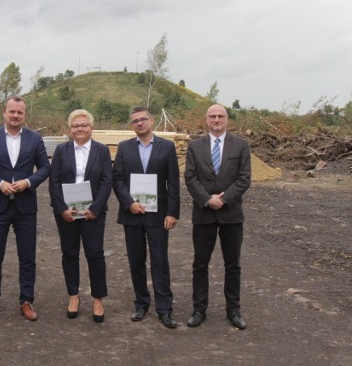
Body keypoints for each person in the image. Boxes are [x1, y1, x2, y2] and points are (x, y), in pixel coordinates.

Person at [0, 95, 50, 322]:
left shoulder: (35, 139)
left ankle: (26, 301)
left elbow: (45, 168)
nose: (15, 116)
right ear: (4, 113)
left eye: (20, 112)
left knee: (27, 257)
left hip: (26, 208)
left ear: (25, 115)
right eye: (12, 112)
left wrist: (28, 182)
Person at [184, 104, 251, 330]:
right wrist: (207, 199)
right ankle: (199, 309)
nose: (216, 120)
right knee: (200, 264)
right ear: (206, 120)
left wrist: (224, 199)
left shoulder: (240, 145)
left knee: (233, 265)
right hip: (203, 213)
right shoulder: (195, 146)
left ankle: (233, 310)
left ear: (227, 119)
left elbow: (244, 178)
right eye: (212, 116)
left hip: (231, 214)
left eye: (220, 116)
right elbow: (190, 177)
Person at [112, 106, 180, 329]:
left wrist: (172, 212)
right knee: (136, 261)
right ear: (131, 125)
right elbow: (118, 180)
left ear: (152, 121)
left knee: (160, 261)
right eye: (135, 121)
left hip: (158, 215)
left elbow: (173, 183)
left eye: (143, 119)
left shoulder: (167, 147)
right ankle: (141, 303)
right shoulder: (124, 148)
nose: (139, 123)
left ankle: (164, 309)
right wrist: (128, 203)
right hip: (133, 214)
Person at [49, 109, 112, 323]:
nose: (80, 129)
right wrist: (61, 209)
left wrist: (95, 207)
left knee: (95, 255)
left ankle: (97, 299)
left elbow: (106, 181)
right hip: (68, 213)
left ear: (91, 128)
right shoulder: (61, 151)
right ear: (70, 129)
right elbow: (54, 181)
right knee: (69, 253)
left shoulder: (102, 151)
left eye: (84, 125)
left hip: (92, 213)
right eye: (76, 125)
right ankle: (73, 296)